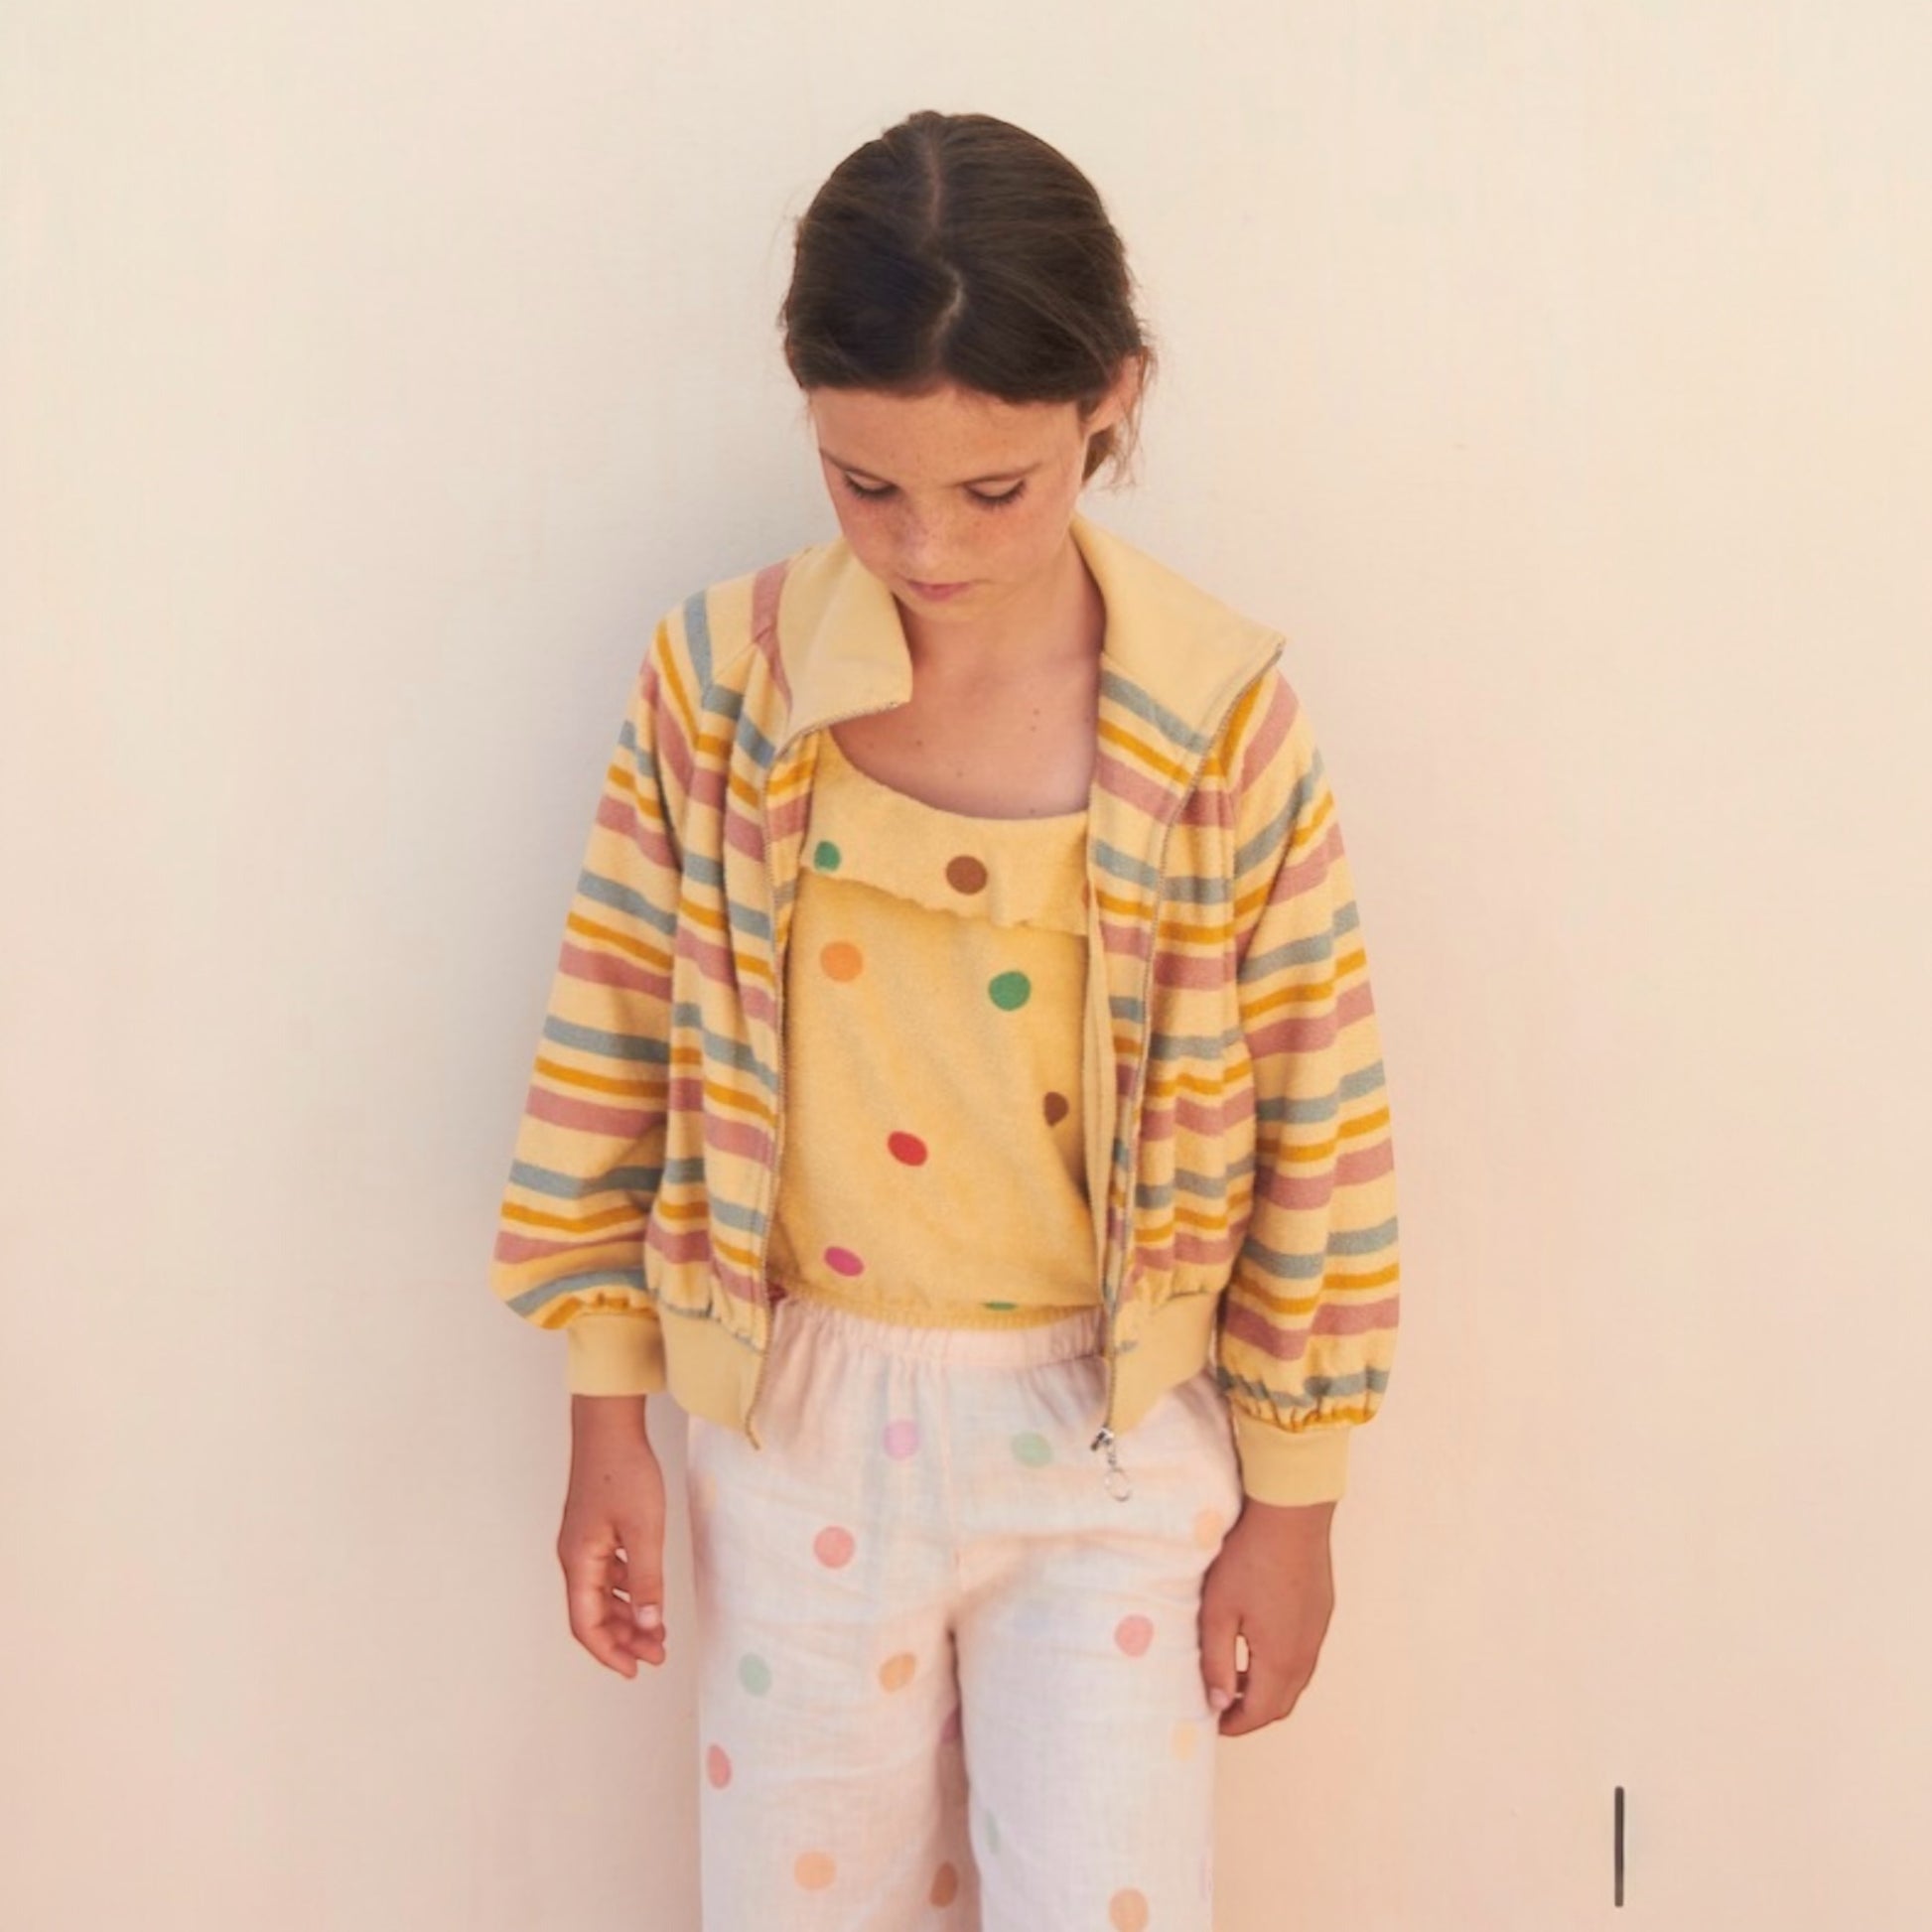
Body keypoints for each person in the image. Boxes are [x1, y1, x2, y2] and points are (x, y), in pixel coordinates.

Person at [489, 108, 1401, 1931]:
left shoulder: (1215, 722)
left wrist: (1295, 1501)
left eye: (995, 490)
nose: (926, 544)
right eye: (864, 485)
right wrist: (608, 1414)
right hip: (794, 1417)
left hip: (1113, 1433)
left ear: (1108, 402)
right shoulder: (719, 689)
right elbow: (612, 1043)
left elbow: (1319, 1114)